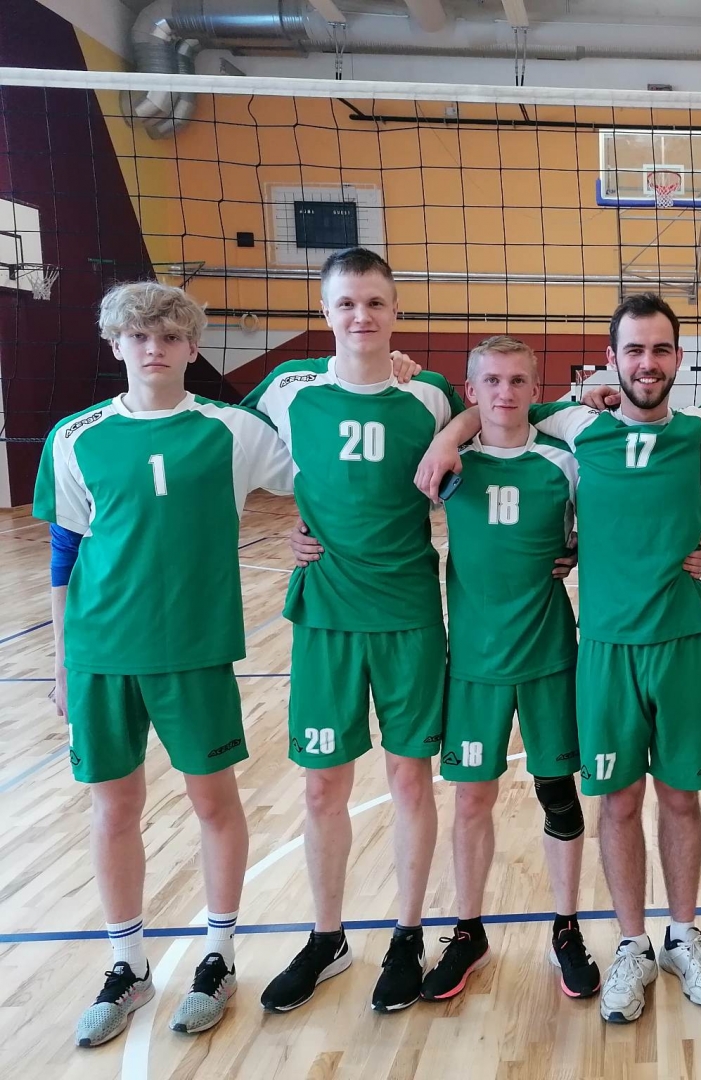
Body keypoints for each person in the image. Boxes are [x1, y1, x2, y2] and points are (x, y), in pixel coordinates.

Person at [415, 293, 701, 1023]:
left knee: (681, 797)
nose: (647, 363)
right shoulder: (577, 429)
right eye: (634, 350)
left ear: (678, 358)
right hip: (601, 647)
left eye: (660, 350)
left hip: (682, 642)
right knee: (617, 800)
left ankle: (683, 935)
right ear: (612, 359)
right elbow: (505, 410)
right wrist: (450, 435)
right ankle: (631, 944)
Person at [35, 282, 294, 1046]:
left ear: (192, 347)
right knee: (113, 808)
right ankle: (128, 965)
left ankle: (219, 955)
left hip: (194, 650)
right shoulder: (76, 436)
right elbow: (64, 552)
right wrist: (61, 661)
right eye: (139, 335)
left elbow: (321, 476)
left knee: (214, 802)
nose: (154, 347)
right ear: (116, 343)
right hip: (100, 651)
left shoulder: (232, 431)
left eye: (170, 336)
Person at [244, 247, 466, 1014]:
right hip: (327, 616)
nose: (361, 316)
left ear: (396, 310)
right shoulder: (289, 387)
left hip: (407, 614)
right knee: (321, 786)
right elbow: (223, 445)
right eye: (346, 303)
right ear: (325, 310)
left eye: (374, 302)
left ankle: (407, 933)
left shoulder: (427, 394)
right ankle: (327, 936)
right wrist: (286, 526)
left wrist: (452, 431)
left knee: (408, 779)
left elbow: (492, 410)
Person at [418, 335, 599, 1001]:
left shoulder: (563, 462)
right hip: (473, 662)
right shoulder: (448, 462)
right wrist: (306, 534)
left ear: (535, 389)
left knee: (558, 792)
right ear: (471, 391)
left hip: (549, 655)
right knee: (472, 797)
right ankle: (468, 931)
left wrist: (578, 548)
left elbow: (606, 529)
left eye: (518, 380)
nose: (505, 392)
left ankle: (566, 927)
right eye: (491, 380)